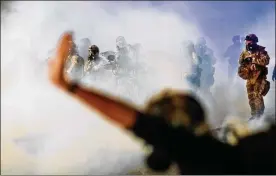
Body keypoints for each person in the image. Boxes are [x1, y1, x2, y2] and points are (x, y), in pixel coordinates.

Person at [48, 32, 276, 174]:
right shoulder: (248, 153)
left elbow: (147, 127)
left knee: (255, 102)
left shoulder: (218, 161)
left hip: (252, 87)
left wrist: (69, 86)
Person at [238, 34, 270, 120]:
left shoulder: (261, 51)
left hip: (259, 77)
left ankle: (260, 115)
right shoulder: (244, 53)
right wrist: (245, 66)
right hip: (250, 77)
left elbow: (266, 61)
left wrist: (254, 61)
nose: (248, 43)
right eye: (247, 42)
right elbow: (241, 63)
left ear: (254, 42)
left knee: (257, 95)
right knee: (251, 96)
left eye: (250, 42)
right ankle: (254, 115)